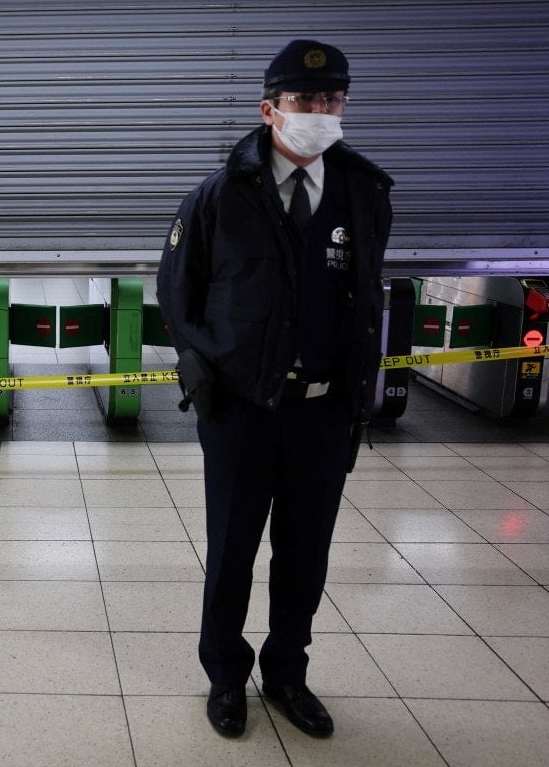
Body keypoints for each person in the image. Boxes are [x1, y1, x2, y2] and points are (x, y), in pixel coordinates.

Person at [156, 39, 394, 739]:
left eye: (331, 100)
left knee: (305, 554)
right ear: (270, 110)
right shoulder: (219, 195)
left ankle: (287, 673)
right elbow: (177, 294)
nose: (319, 112)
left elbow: (365, 296)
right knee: (232, 551)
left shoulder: (364, 193)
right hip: (242, 410)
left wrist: (358, 393)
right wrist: (204, 377)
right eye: (304, 100)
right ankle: (227, 676)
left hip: (324, 411)